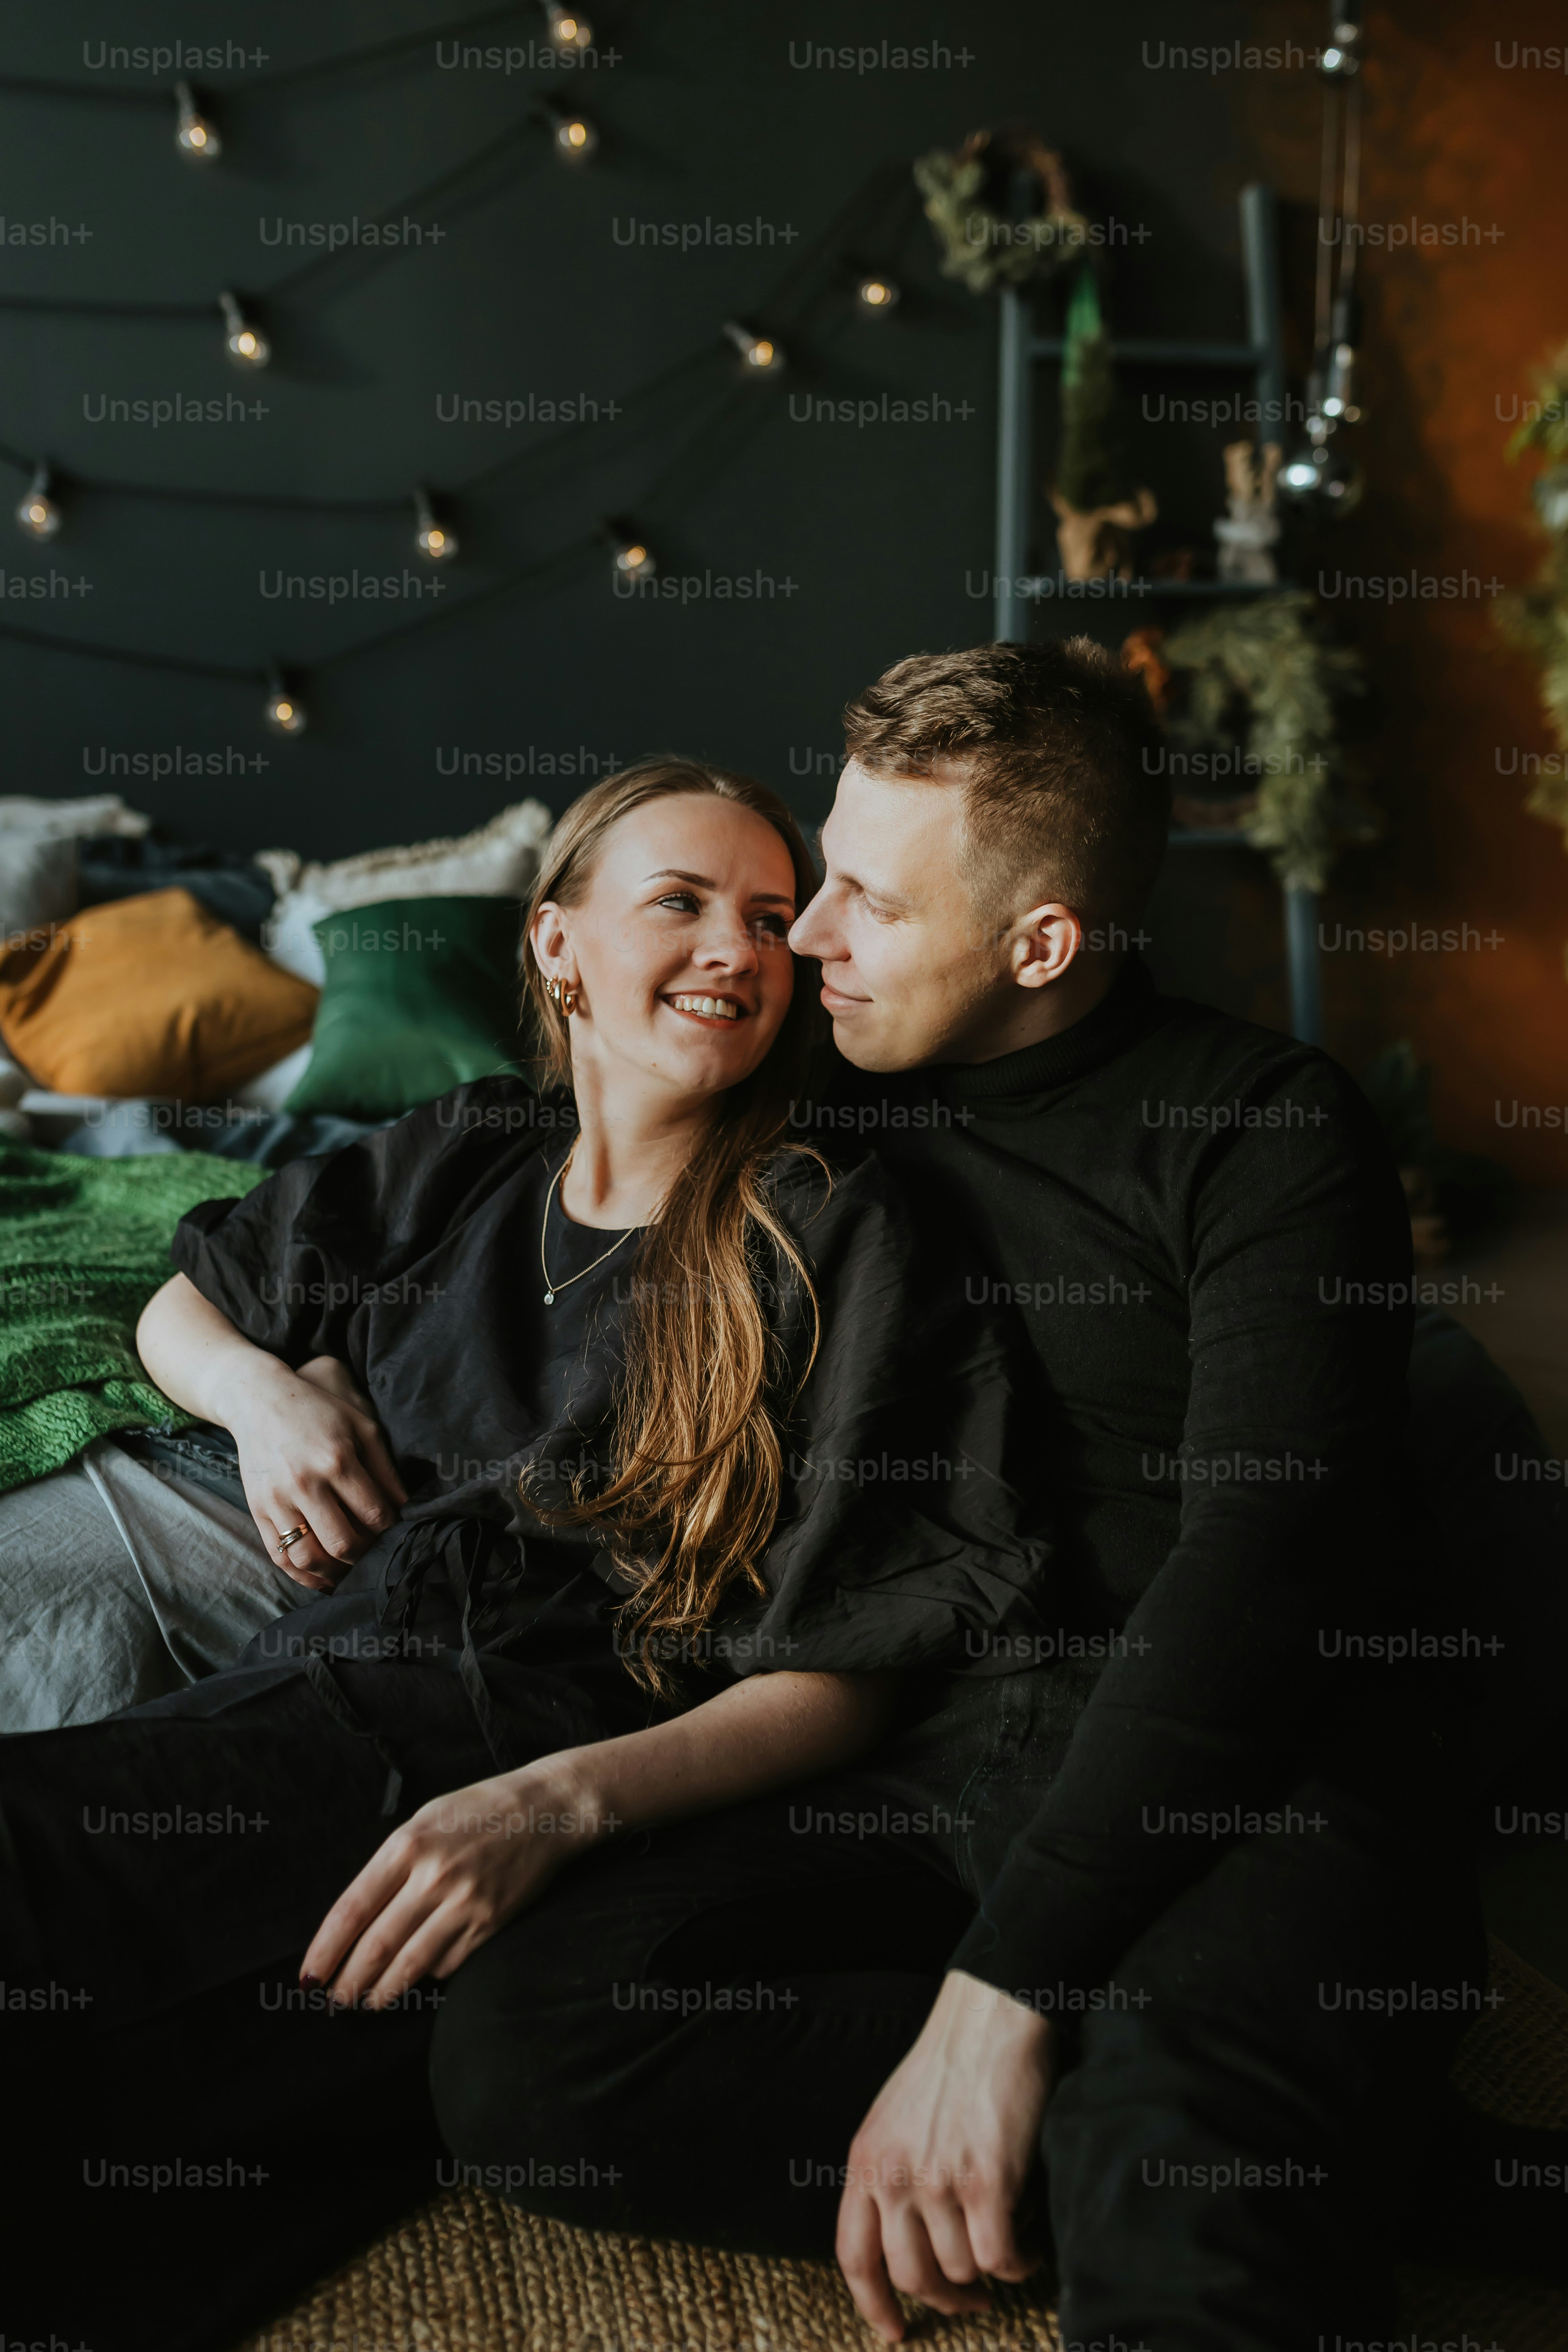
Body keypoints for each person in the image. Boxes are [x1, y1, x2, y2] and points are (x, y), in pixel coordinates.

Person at [430, 643, 1568, 2352]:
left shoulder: (1259, 1128)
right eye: (822, 878)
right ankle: (1326, 2138)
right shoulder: (823, 1087)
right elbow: (517, 1159)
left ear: (1040, 945)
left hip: (1246, 1757)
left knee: (1187, 2212)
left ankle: (1196, 2121)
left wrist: (1004, 1991)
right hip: (921, 1735)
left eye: (869, 906)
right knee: (525, 2052)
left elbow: (1262, 1568)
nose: (805, 937)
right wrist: (253, 1366)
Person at [0, 758, 1053, 2352]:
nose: (739, 948)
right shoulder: (476, 1146)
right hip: (304, 1691)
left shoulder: (827, 1222)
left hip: (515, 1764)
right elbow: (186, 1298)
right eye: (681, 902)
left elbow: (852, 1670)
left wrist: (553, 1808)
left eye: (772, 917)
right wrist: (266, 1401)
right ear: (558, 944)